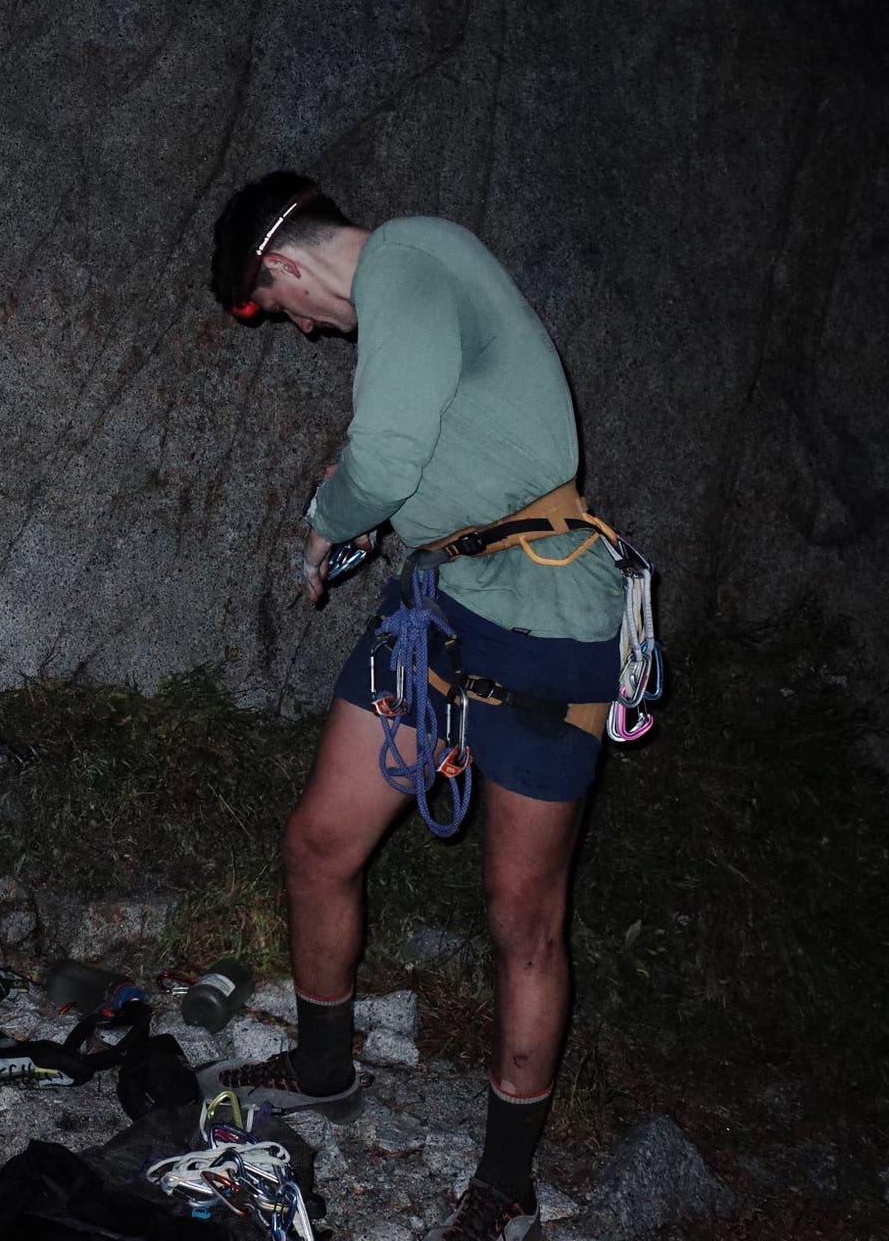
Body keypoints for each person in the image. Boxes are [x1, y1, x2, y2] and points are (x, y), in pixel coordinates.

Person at [202, 171, 636, 1241]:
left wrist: (325, 519)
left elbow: (388, 456)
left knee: (522, 915)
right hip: (440, 607)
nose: (300, 330)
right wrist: (366, 507)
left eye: (272, 307)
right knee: (320, 843)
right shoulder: (411, 285)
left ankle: (506, 1177)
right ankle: (324, 1065)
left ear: (283, 265)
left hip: (547, 617)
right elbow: (423, 446)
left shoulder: (408, 258)